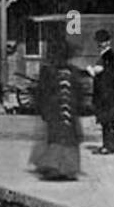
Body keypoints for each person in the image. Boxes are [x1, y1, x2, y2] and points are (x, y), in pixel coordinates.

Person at [30, 31, 83, 180]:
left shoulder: (49, 71)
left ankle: (59, 167)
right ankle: (62, 167)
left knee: (58, 136)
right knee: (62, 137)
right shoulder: (69, 71)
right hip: (62, 111)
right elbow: (78, 94)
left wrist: (43, 109)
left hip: (57, 110)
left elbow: (41, 92)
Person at [88, 28, 114, 155]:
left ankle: (109, 147)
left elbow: (109, 76)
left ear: (108, 42)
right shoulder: (108, 56)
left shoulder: (109, 56)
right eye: (99, 41)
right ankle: (108, 145)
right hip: (108, 93)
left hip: (108, 94)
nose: (100, 44)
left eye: (102, 41)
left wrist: (93, 72)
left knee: (107, 121)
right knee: (106, 121)